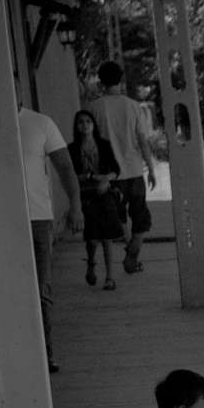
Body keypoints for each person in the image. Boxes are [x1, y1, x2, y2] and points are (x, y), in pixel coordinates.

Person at [16, 88, 83, 373]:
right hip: (0, 220)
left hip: (37, 218)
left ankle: (45, 352)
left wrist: (76, 206)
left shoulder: (40, 123)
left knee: (41, 287)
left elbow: (65, 168)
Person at [88, 61, 157, 274]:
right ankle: (132, 256)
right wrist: (151, 168)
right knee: (141, 218)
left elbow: (90, 145)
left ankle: (129, 252)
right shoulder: (133, 106)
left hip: (110, 175)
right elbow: (142, 140)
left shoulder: (94, 108)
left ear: (100, 81)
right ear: (121, 79)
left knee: (117, 219)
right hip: (134, 171)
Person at [69, 109, 124, 290]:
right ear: (76, 127)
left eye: (88, 122)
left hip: (103, 191)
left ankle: (110, 277)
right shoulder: (72, 149)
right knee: (92, 238)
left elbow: (116, 170)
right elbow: (69, 176)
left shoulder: (103, 145)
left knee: (107, 236)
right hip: (86, 195)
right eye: (81, 122)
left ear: (93, 125)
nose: (84, 125)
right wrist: (86, 177)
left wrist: (106, 178)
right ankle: (91, 263)